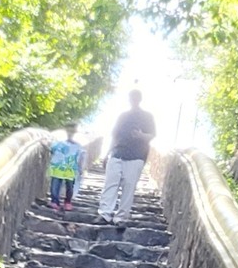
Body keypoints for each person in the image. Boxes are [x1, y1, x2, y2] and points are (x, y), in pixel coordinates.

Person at [96, 90, 156, 224]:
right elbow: (114, 136)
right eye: (131, 97)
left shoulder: (147, 116)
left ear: (139, 99)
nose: (133, 99)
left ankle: (121, 217)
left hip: (136, 155)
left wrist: (141, 135)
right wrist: (107, 154)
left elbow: (152, 135)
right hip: (117, 153)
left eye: (135, 97)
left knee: (129, 186)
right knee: (110, 184)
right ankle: (105, 214)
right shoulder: (122, 116)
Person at [46, 125, 85, 211]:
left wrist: (81, 168)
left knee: (70, 187)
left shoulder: (78, 146)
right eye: (69, 131)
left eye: (72, 132)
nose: (70, 133)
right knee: (55, 185)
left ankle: (67, 202)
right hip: (58, 167)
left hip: (70, 169)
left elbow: (81, 157)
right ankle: (55, 201)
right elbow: (51, 150)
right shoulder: (59, 143)